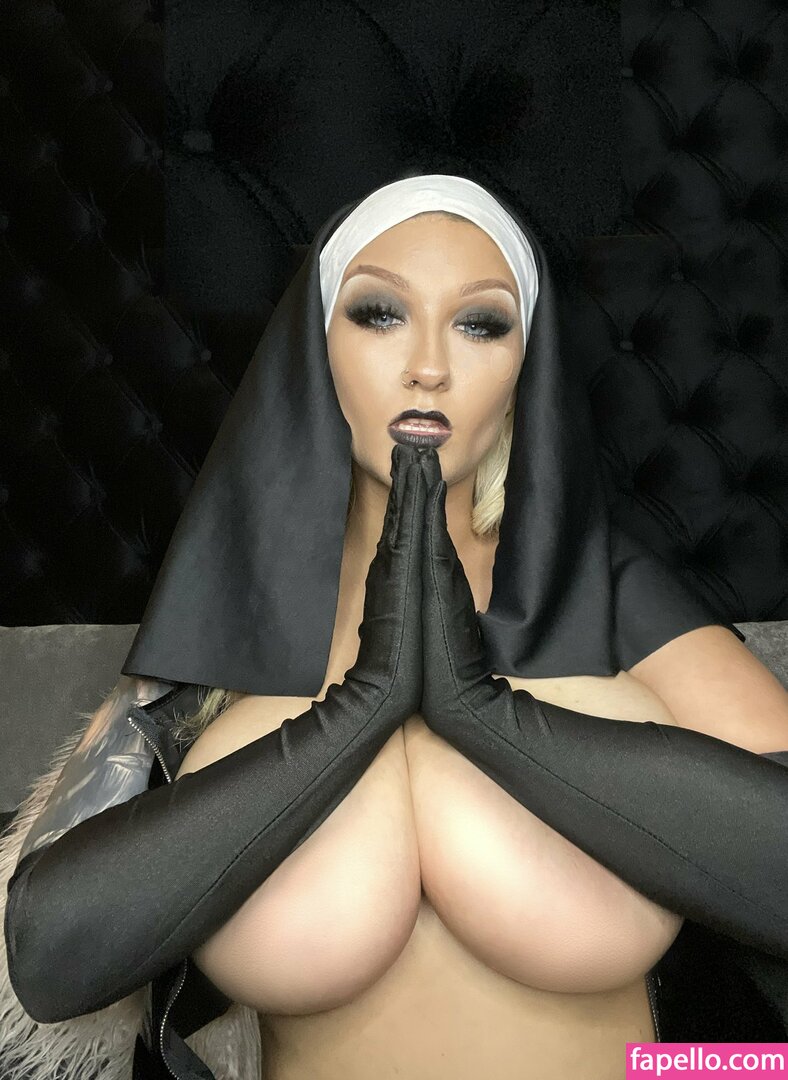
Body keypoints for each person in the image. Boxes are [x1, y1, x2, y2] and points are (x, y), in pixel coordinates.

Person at [2, 174, 787, 1080]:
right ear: (316, 347)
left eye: (480, 324)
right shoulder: (230, 615)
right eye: (379, 313)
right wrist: (362, 707)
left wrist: (483, 714)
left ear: (525, 368)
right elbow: (49, 956)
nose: (428, 366)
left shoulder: (603, 588)